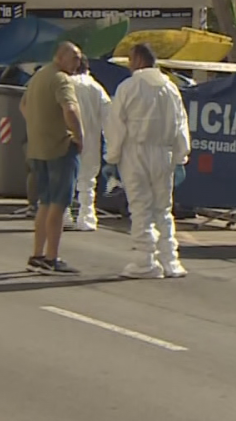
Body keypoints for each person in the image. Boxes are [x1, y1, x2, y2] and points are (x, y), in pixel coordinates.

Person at [105, 43, 191, 279]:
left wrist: (112, 156)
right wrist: (181, 155)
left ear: (138, 60)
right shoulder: (170, 88)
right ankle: (170, 261)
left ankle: (145, 261)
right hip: (163, 154)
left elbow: (116, 124)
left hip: (136, 152)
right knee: (163, 208)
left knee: (140, 207)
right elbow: (180, 123)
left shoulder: (128, 87)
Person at [20, 41, 84, 275]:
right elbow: (69, 108)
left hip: (37, 149)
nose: (78, 62)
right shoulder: (60, 79)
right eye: (75, 57)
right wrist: (78, 136)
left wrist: (37, 126)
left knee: (45, 203)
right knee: (58, 204)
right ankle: (51, 258)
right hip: (59, 148)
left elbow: (23, 105)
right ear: (61, 57)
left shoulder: (38, 76)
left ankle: (37, 254)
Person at [67, 47, 112, 232]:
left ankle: (64, 215)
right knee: (87, 181)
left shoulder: (66, 84)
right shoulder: (96, 88)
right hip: (92, 139)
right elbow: (109, 116)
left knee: (66, 179)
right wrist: (111, 144)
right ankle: (86, 216)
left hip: (68, 137)